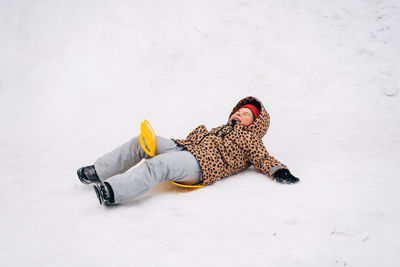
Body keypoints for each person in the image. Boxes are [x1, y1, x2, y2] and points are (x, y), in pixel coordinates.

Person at [77, 96, 300, 205]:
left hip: (202, 166)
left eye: (246, 115)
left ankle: (113, 192)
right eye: (238, 111)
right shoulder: (220, 129)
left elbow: (263, 158)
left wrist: (279, 170)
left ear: (255, 124)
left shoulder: (250, 139)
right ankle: (99, 170)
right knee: (145, 141)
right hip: (186, 148)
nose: (239, 115)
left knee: (158, 165)